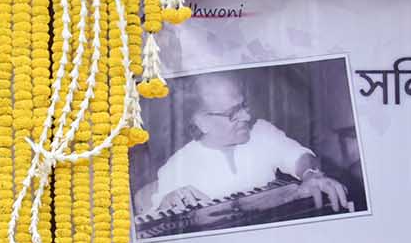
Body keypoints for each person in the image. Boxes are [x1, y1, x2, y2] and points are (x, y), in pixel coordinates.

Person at [137, 72, 351, 215]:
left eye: (244, 105)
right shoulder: (177, 167)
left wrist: (311, 174)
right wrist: (166, 206)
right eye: (233, 113)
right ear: (202, 122)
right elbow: (156, 216)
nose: (247, 116)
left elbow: (298, 156)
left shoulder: (261, 132)